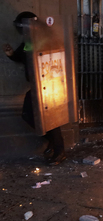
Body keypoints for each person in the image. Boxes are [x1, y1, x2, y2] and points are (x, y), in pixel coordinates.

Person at [3, 11, 66, 166]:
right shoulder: (28, 42)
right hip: (37, 86)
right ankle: (53, 142)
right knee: (28, 115)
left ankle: (60, 151)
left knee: (52, 119)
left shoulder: (46, 39)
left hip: (50, 85)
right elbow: (23, 56)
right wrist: (11, 55)